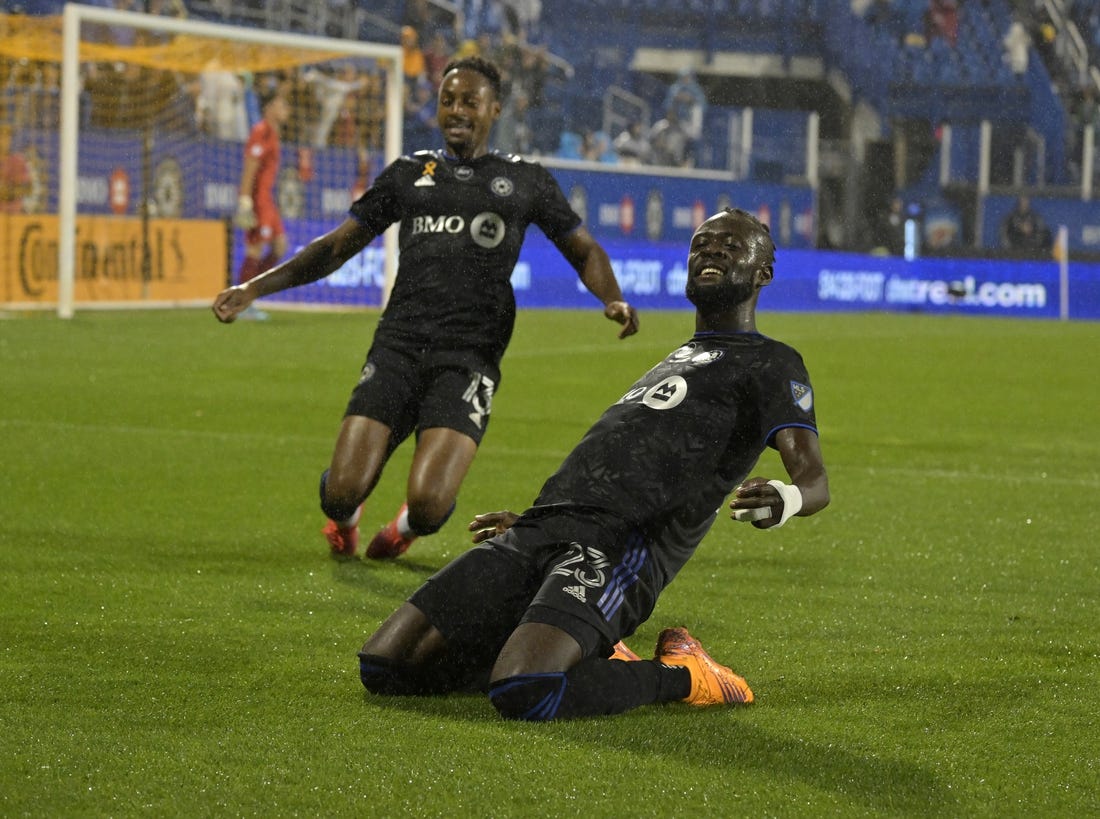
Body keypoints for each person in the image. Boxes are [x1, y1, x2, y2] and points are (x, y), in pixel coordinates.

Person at [356, 207, 830, 721]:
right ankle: (581, 645)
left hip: (622, 545)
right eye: (701, 243)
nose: (711, 251)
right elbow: (617, 456)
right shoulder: (678, 357)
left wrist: (788, 497)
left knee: (527, 690)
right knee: (387, 666)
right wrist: (535, 518)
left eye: (731, 246)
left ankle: (688, 676)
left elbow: (815, 480)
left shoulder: (772, 362)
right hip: (541, 529)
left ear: (763, 273)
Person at [212, 56, 639, 560]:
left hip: (469, 356)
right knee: (340, 491)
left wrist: (611, 296)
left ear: (494, 109)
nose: (457, 110)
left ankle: (404, 529)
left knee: (432, 504)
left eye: (469, 101)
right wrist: (254, 288)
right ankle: (345, 523)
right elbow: (334, 248)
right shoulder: (408, 174)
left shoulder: (524, 181)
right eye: (447, 100)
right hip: (399, 345)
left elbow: (583, 249)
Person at [232, 89, 291, 321]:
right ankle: (241, 303)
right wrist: (245, 199)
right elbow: (251, 165)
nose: (286, 109)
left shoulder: (274, 133)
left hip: (268, 199)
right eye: (281, 104)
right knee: (255, 249)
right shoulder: (261, 131)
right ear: (268, 108)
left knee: (280, 246)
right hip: (257, 199)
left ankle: (249, 294)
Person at [0, 124, 32, 214]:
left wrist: (7, 192)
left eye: (8, 135)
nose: (5, 140)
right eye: (1, 135)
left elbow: (27, 189)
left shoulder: (18, 160)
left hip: (13, 215)